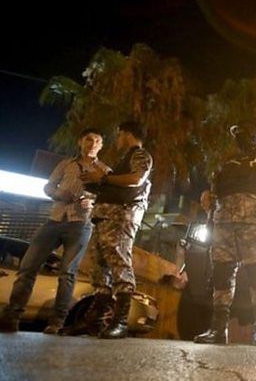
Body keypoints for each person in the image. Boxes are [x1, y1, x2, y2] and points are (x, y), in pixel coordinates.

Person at [0, 129, 108, 334]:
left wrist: (92, 203)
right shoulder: (66, 164)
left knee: (67, 273)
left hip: (80, 224)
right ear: (80, 142)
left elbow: (108, 199)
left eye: (97, 141)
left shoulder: (104, 171)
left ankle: (57, 322)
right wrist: (59, 193)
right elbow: (48, 187)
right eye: (89, 139)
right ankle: (12, 316)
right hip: (54, 219)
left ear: (101, 146)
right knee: (27, 267)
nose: (92, 144)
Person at [194, 120, 256, 346]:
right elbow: (215, 188)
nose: (238, 138)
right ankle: (217, 329)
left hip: (254, 224)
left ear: (254, 136)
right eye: (236, 134)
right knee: (221, 274)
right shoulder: (227, 162)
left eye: (242, 133)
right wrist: (206, 196)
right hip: (223, 224)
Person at [76, 121, 153, 339]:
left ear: (127, 134)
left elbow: (136, 179)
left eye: (119, 135)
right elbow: (117, 183)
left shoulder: (140, 154)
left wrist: (103, 178)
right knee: (99, 268)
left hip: (120, 217)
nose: (117, 140)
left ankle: (120, 322)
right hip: (105, 216)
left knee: (119, 263)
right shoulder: (125, 158)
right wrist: (97, 185)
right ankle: (94, 321)